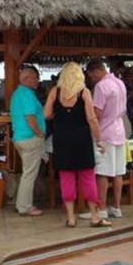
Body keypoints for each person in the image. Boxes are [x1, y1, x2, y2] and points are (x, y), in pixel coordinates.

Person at [44, 62, 111, 228]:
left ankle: (71, 217)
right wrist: (99, 139)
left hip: (61, 139)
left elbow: (46, 114)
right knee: (87, 177)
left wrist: (57, 115)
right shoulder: (84, 93)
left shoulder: (55, 92)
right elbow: (91, 119)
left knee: (66, 177)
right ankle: (95, 216)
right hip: (81, 139)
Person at [82, 59, 127, 220]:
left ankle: (101, 208)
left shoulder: (101, 86)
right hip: (119, 131)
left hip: (105, 133)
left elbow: (98, 113)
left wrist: (87, 116)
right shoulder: (120, 83)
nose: (91, 79)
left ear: (95, 71)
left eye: (90, 76)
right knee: (117, 173)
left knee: (102, 173)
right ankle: (116, 206)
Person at [10, 66, 46, 217]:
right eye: (35, 78)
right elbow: (30, 118)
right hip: (30, 138)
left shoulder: (17, 93)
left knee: (27, 173)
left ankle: (22, 203)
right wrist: (39, 133)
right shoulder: (27, 94)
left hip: (20, 137)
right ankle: (25, 206)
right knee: (29, 174)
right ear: (27, 79)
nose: (38, 81)